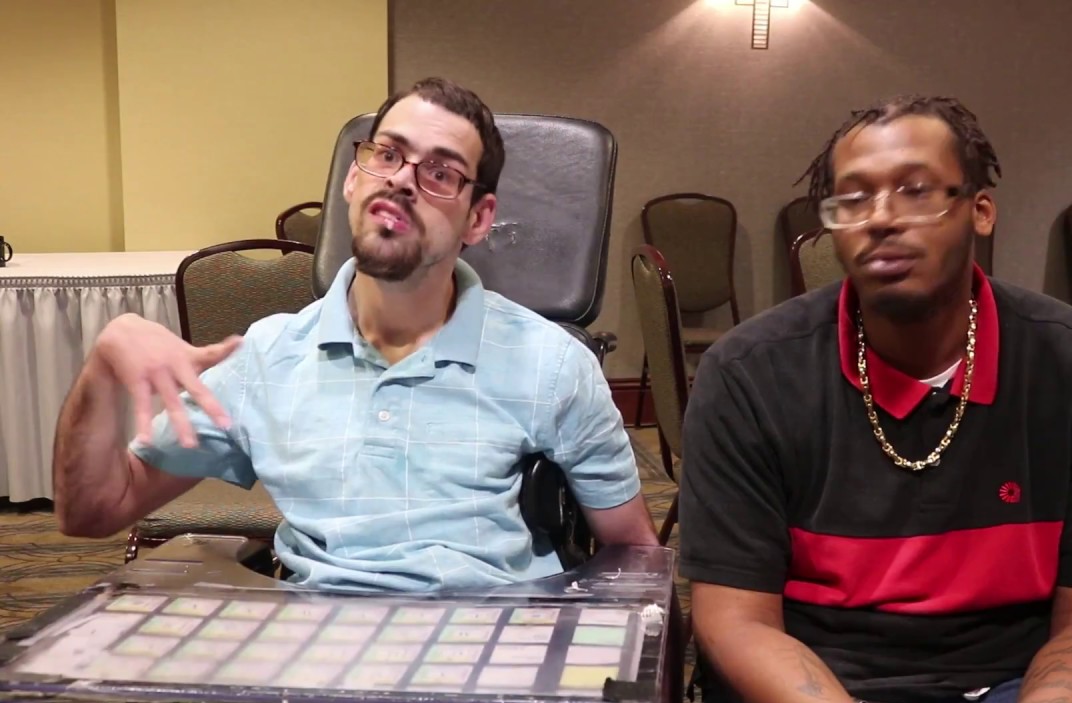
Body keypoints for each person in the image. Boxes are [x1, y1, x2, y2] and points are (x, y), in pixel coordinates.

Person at [53, 76, 658, 592]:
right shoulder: (266, 358)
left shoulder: (553, 366)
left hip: (486, 652)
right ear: (352, 180)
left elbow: (634, 557)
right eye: (387, 154)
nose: (400, 180)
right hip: (317, 659)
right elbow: (92, 512)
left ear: (478, 218)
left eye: (441, 172)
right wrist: (101, 372)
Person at [679, 96, 1072, 703]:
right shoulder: (749, 374)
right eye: (853, 198)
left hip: (1018, 688)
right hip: (816, 693)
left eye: (915, 191)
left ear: (980, 211)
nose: (882, 218)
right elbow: (736, 622)